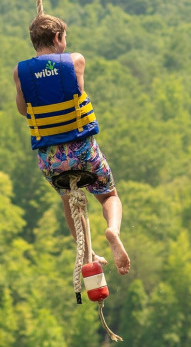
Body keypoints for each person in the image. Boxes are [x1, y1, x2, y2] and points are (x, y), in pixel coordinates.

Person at [13, 14, 131, 275]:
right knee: (109, 195)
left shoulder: (20, 72)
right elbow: (77, 90)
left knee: (69, 199)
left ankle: (86, 250)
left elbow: (22, 109)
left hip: (51, 159)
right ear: (57, 37)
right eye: (64, 37)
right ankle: (112, 229)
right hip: (82, 150)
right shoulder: (75, 62)